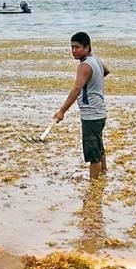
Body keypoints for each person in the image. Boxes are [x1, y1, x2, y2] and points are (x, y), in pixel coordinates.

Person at [54, 31, 110, 180]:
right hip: (100, 112)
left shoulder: (84, 66)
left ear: (87, 48)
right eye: (72, 47)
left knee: (93, 153)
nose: (74, 50)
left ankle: (94, 184)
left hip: (91, 114)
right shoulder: (95, 60)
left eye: (77, 47)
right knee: (98, 146)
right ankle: (104, 174)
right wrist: (93, 83)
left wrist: (62, 111)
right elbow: (106, 71)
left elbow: (76, 89)